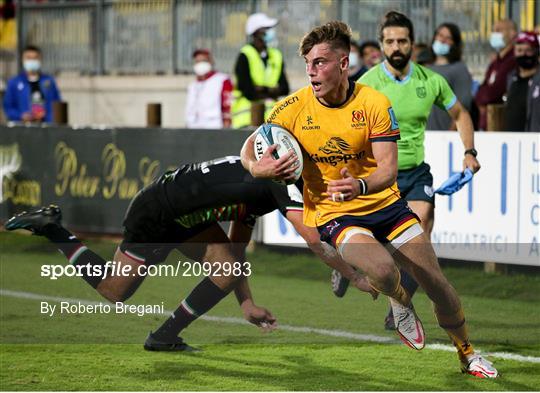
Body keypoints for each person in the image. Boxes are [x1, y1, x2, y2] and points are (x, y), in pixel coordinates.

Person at [241, 19, 497, 378]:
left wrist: (358, 186)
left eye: (320, 63)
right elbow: (249, 148)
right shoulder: (291, 109)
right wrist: (257, 170)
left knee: (438, 285)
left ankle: (467, 353)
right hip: (335, 213)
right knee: (381, 270)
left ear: (343, 64)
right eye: (308, 64)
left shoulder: (375, 103)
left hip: (385, 205)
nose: (311, 72)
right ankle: (400, 301)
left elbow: (388, 171)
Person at [5, 156, 373, 351]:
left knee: (227, 269)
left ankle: (163, 336)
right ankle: (53, 227)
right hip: (158, 210)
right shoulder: (283, 182)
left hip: (185, 213)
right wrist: (356, 275)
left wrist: (247, 303)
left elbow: (236, 249)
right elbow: (314, 240)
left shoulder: (271, 176)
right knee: (115, 292)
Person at [332, 11, 481, 331]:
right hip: (376, 176)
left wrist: (469, 152)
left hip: (414, 173)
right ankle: (349, 265)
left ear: (413, 44)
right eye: (389, 41)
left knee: (420, 237)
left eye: (402, 41)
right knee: (382, 247)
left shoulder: (431, 81)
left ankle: (397, 308)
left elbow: (461, 113)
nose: (396, 47)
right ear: (382, 45)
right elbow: (343, 125)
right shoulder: (367, 83)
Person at [231, 13, 289, 128]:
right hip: (246, 120)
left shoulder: (276, 55)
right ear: (256, 32)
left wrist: (260, 89)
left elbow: (284, 88)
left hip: (272, 120)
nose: (271, 32)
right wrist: (271, 91)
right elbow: (247, 90)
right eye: (267, 29)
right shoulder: (245, 55)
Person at [426, 23, 473, 131]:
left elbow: (463, 107)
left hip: (445, 136)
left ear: (454, 43)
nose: (442, 40)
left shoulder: (459, 69)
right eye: (440, 35)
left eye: (448, 38)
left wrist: (451, 134)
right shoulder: (426, 68)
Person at [475, 19, 518, 130]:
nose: (494, 34)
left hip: (500, 124)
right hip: (486, 123)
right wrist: (482, 98)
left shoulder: (513, 61)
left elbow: (495, 91)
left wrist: (484, 98)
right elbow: (481, 91)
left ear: (512, 33)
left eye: (498, 30)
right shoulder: (495, 62)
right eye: (493, 31)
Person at [3, 45, 61, 123]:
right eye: (29, 58)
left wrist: (47, 118)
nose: (32, 61)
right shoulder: (14, 83)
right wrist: (21, 116)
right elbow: (8, 107)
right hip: (21, 127)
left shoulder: (49, 81)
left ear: (40, 60)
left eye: (35, 58)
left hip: (45, 126)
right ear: (22, 60)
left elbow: (56, 105)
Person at [185, 49, 233, 129]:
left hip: (214, 126)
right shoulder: (193, 85)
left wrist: (226, 123)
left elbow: (228, 104)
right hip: (194, 128)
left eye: (203, 61)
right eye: (197, 61)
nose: (200, 64)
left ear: (211, 62)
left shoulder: (222, 80)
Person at [504, 31, 539, 131]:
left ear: (536, 51)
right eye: (519, 50)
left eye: (528, 50)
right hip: (512, 138)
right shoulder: (511, 77)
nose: (523, 54)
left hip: (534, 139)